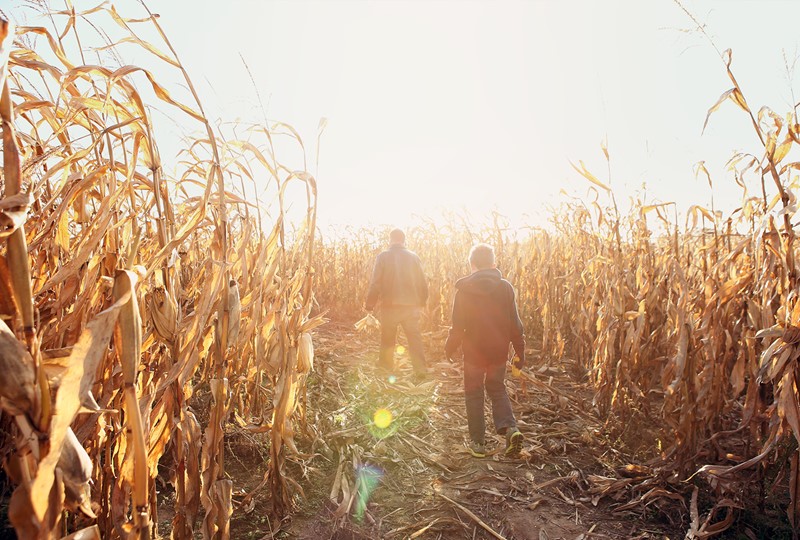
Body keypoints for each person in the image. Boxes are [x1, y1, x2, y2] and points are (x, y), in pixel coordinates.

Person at [445, 243, 525, 458]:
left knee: (473, 393)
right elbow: (515, 324)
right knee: (497, 388)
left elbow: (458, 326)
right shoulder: (505, 287)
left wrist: (449, 348)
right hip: (498, 352)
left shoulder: (463, 290)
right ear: (493, 263)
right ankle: (510, 429)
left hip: (473, 353)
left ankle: (478, 443)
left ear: (472, 265)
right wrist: (520, 351)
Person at [365, 228, 429, 377]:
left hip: (390, 307)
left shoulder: (383, 257)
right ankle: (420, 370)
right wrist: (422, 302)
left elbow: (376, 283)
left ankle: (386, 369)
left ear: (390, 240)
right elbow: (422, 282)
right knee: (414, 339)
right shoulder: (414, 257)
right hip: (411, 307)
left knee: (387, 339)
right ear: (404, 240)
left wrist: (370, 304)